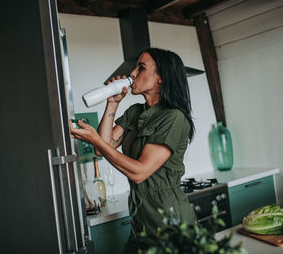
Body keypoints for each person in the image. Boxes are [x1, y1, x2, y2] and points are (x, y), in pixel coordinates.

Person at [69, 47, 197, 252]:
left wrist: (95, 139)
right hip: (140, 222)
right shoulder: (135, 111)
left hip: (169, 223)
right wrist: (112, 104)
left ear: (161, 77)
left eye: (141, 68)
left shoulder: (173, 117)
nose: (132, 74)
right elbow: (104, 148)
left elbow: (139, 172)